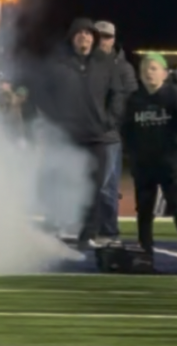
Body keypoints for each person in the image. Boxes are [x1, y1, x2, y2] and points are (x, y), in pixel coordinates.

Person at [30, 18, 124, 248]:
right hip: (67, 137)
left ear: (94, 38)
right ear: (72, 37)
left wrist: (109, 121)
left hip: (97, 137)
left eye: (89, 33)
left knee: (96, 187)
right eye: (79, 33)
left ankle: (88, 233)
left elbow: (118, 94)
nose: (84, 36)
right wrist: (57, 121)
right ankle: (56, 225)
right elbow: (40, 93)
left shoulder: (106, 63)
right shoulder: (57, 64)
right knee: (59, 182)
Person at [120, 53, 177, 256]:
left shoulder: (173, 97)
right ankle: (145, 248)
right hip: (144, 165)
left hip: (170, 165)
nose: (148, 73)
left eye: (153, 68)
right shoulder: (134, 101)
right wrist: (134, 155)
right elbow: (126, 130)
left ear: (164, 73)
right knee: (144, 210)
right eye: (144, 69)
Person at [93, 21, 137, 245]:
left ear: (114, 38)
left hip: (109, 136)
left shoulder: (123, 68)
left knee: (106, 187)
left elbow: (128, 101)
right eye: (98, 36)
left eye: (107, 36)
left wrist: (108, 124)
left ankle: (109, 232)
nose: (103, 40)